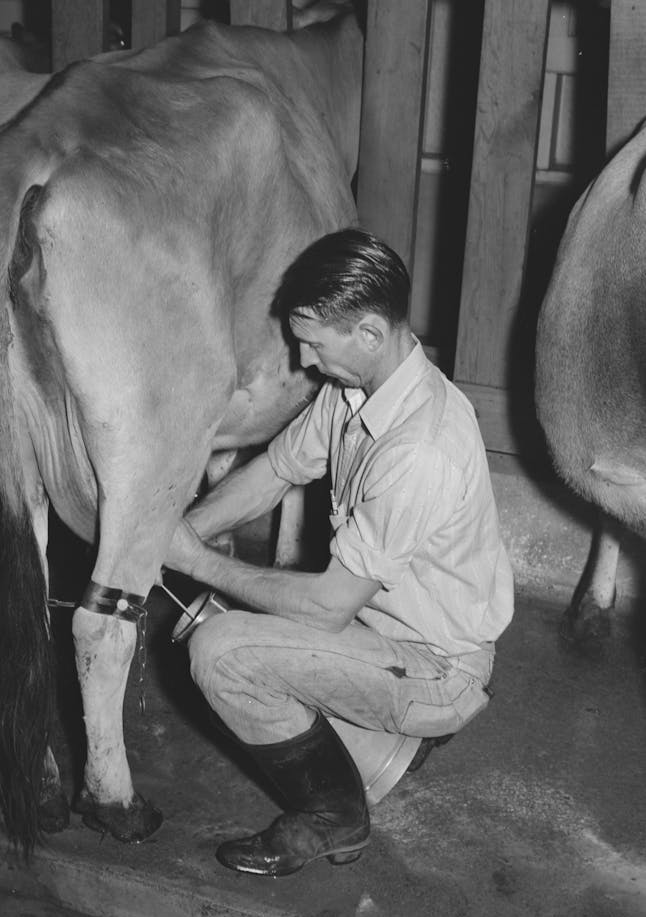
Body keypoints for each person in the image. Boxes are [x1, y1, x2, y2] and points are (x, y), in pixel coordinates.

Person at [165, 228, 514, 877]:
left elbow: (326, 607)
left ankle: (336, 819)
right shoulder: (356, 388)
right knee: (219, 616)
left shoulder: (421, 447)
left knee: (221, 650)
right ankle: (370, 737)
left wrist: (195, 558)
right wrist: (172, 533)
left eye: (313, 344)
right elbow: (276, 469)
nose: (302, 357)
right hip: (378, 633)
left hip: (437, 671)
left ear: (371, 335)